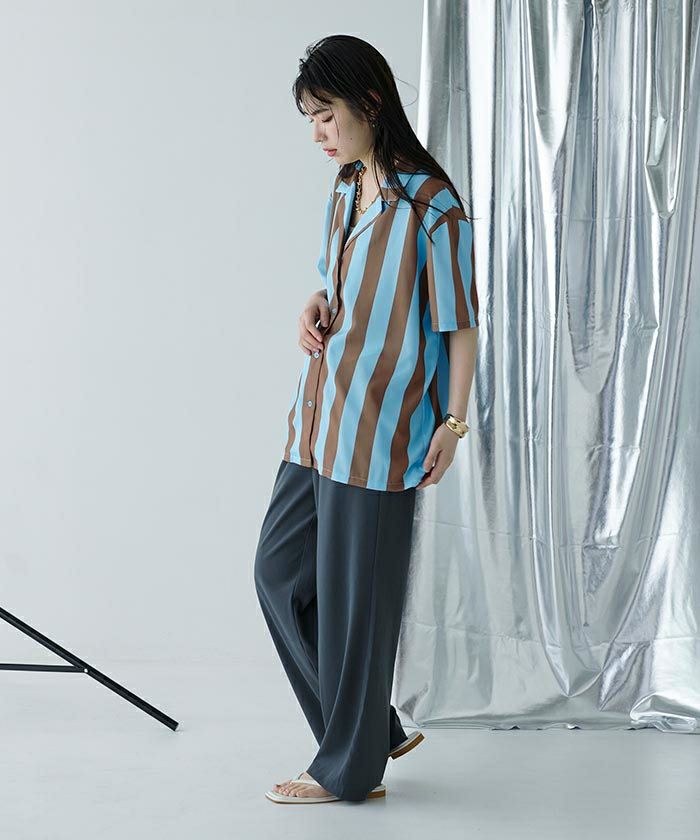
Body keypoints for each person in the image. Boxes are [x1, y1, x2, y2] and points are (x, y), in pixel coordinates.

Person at [254, 34, 479, 804]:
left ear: (371, 103)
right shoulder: (346, 189)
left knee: (356, 612)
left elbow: (460, 325)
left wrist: (453, 425)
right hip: (317, 423)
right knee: (277, 573)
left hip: (382, 435)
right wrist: (314, 304)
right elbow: (339, 289)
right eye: (310, 120)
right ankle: (371, 730)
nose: (318, 133)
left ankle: (349, 772)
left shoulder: (433, 206)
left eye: (327, 116)